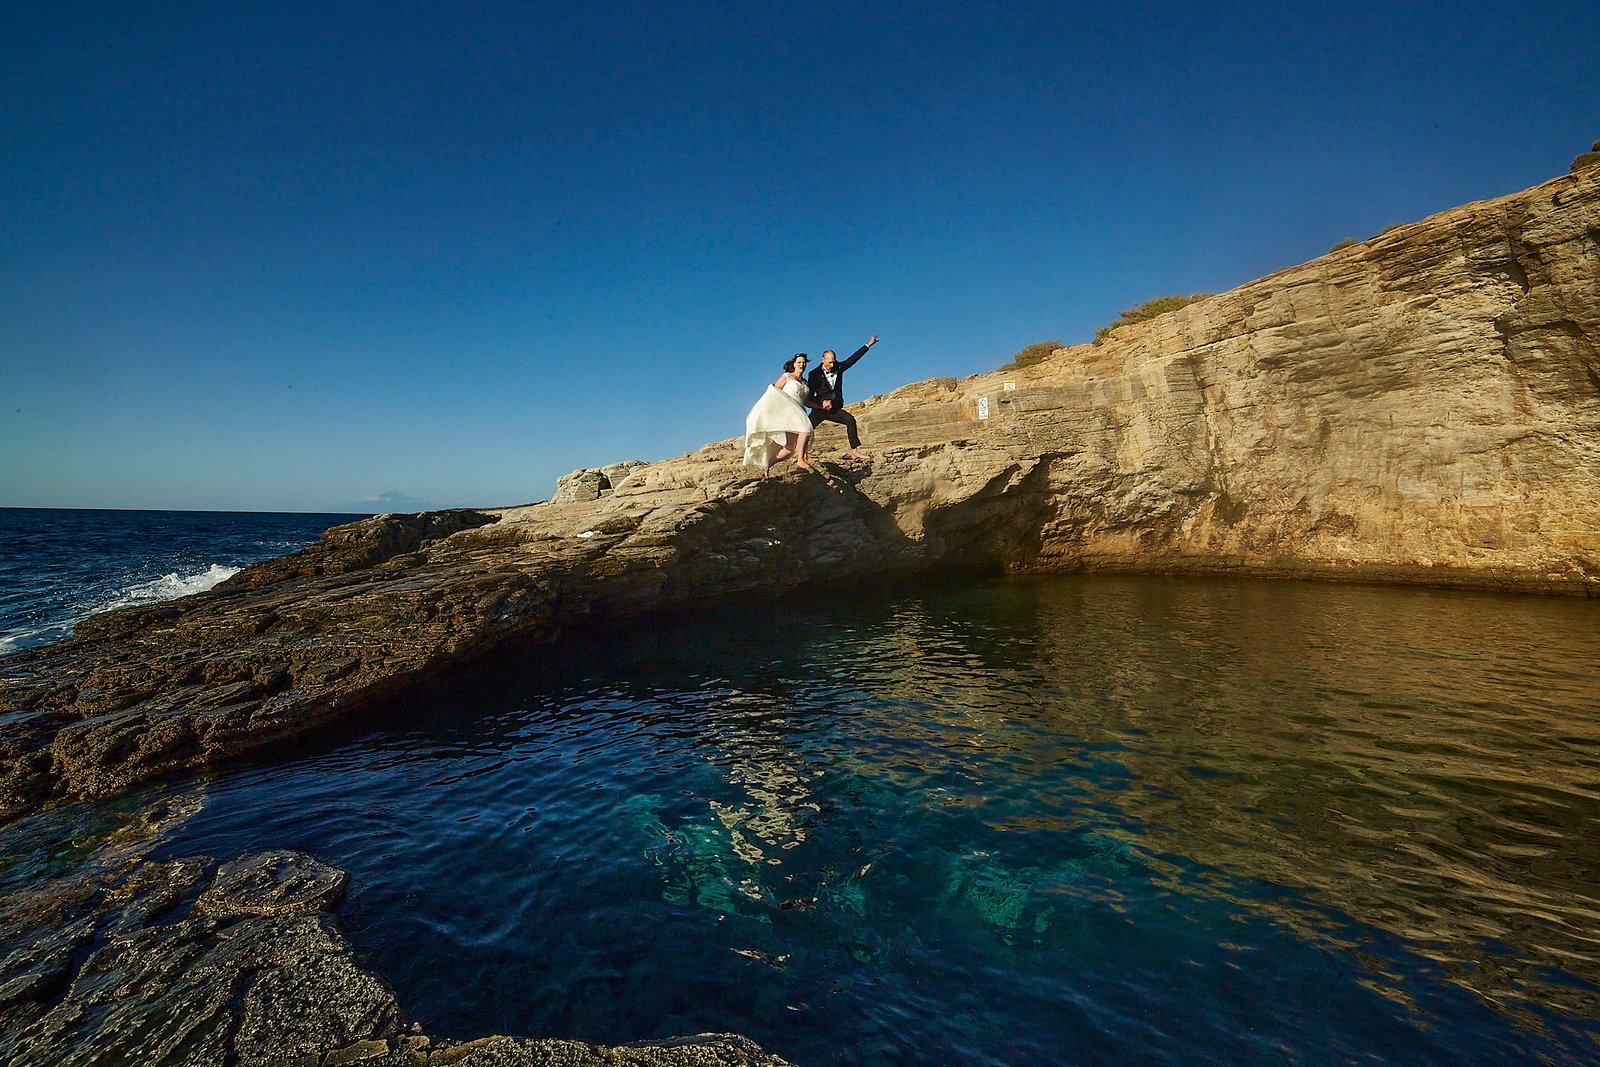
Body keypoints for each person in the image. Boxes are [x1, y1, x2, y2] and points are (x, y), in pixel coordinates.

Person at [807, 335, 878, 460]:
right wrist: (822, 402)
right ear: (822, 359)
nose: (832, 364)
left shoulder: (839, 367)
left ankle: (855, 452)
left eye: (834, 361)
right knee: (806, 429)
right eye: (829, 362)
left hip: (834, 408)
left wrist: (869, 345)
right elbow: (810, 395)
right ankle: (800, 454)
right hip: (819, 409)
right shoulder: (814, 374)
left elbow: (853, 359)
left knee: (850, 420)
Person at [743, 354, 814, 473]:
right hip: (788, 411)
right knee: (806, 429)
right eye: (799, 362)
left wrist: (821, 406)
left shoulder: (805, 382)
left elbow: (806, 401)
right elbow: (773, 392)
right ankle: (800, 459)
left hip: (800, 411)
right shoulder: (787, 377)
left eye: (804, 362)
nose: (802, 365)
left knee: (790, 449)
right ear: (794, 364)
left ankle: (766, 465)